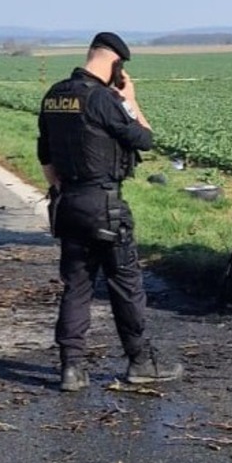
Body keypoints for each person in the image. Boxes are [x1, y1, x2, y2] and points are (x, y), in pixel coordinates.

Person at [36, 32, 183, 392]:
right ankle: (141, 362)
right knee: (126, 285)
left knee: (77, 286)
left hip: (68, 204)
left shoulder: (54, 95)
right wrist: (130, 99)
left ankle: (71, 369)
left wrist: (60, 191)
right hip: (104, 206)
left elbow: (45, 156)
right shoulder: (104, 99)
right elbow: (145, 138)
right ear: (115, 63)